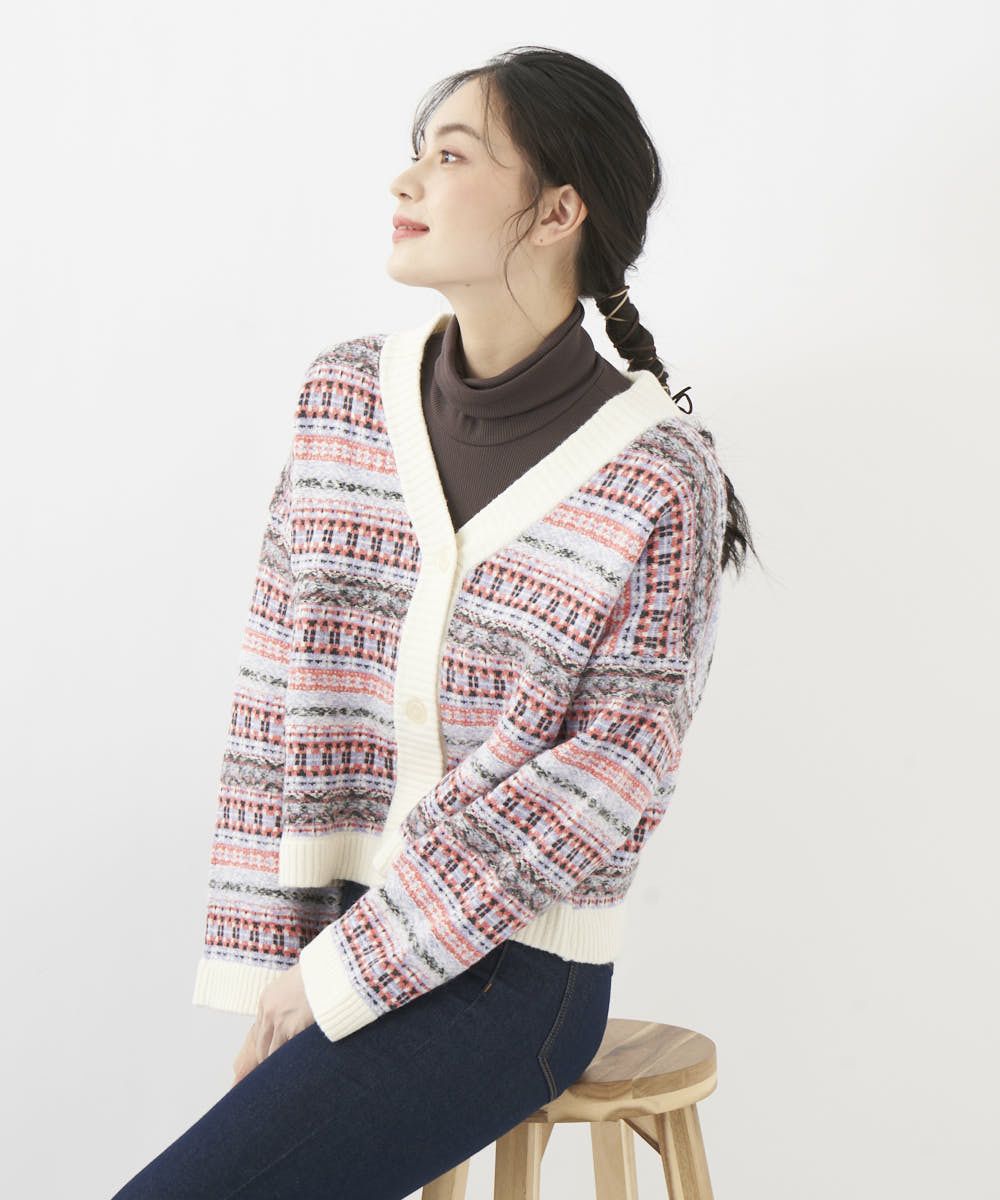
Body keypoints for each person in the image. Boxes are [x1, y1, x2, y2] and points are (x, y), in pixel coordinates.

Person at [112, 44, 757, 1200]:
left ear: (557, 211)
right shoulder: (343, 396)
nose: (404, 182)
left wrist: (338, 976)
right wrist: (275, 966)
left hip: (517, 976)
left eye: (451, 157)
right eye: (416, 153)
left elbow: (607, 780)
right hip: (337, 935)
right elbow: (274, 691)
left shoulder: (658, 477)